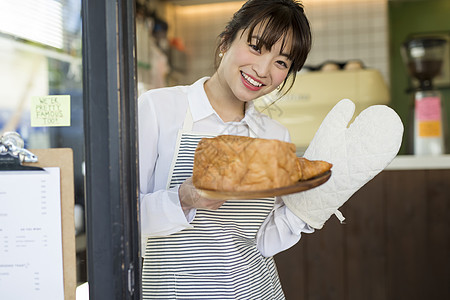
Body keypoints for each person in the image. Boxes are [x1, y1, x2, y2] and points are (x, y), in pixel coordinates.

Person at [138, 0, 404, 299]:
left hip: (257, 290)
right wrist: (184, 199)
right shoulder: (159, 109)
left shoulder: (274, 135)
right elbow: (121, 219)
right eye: (256, 47)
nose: (262, 70)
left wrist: (310, 206)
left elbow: (262, 240)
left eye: (281, 63)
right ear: (226, 39)